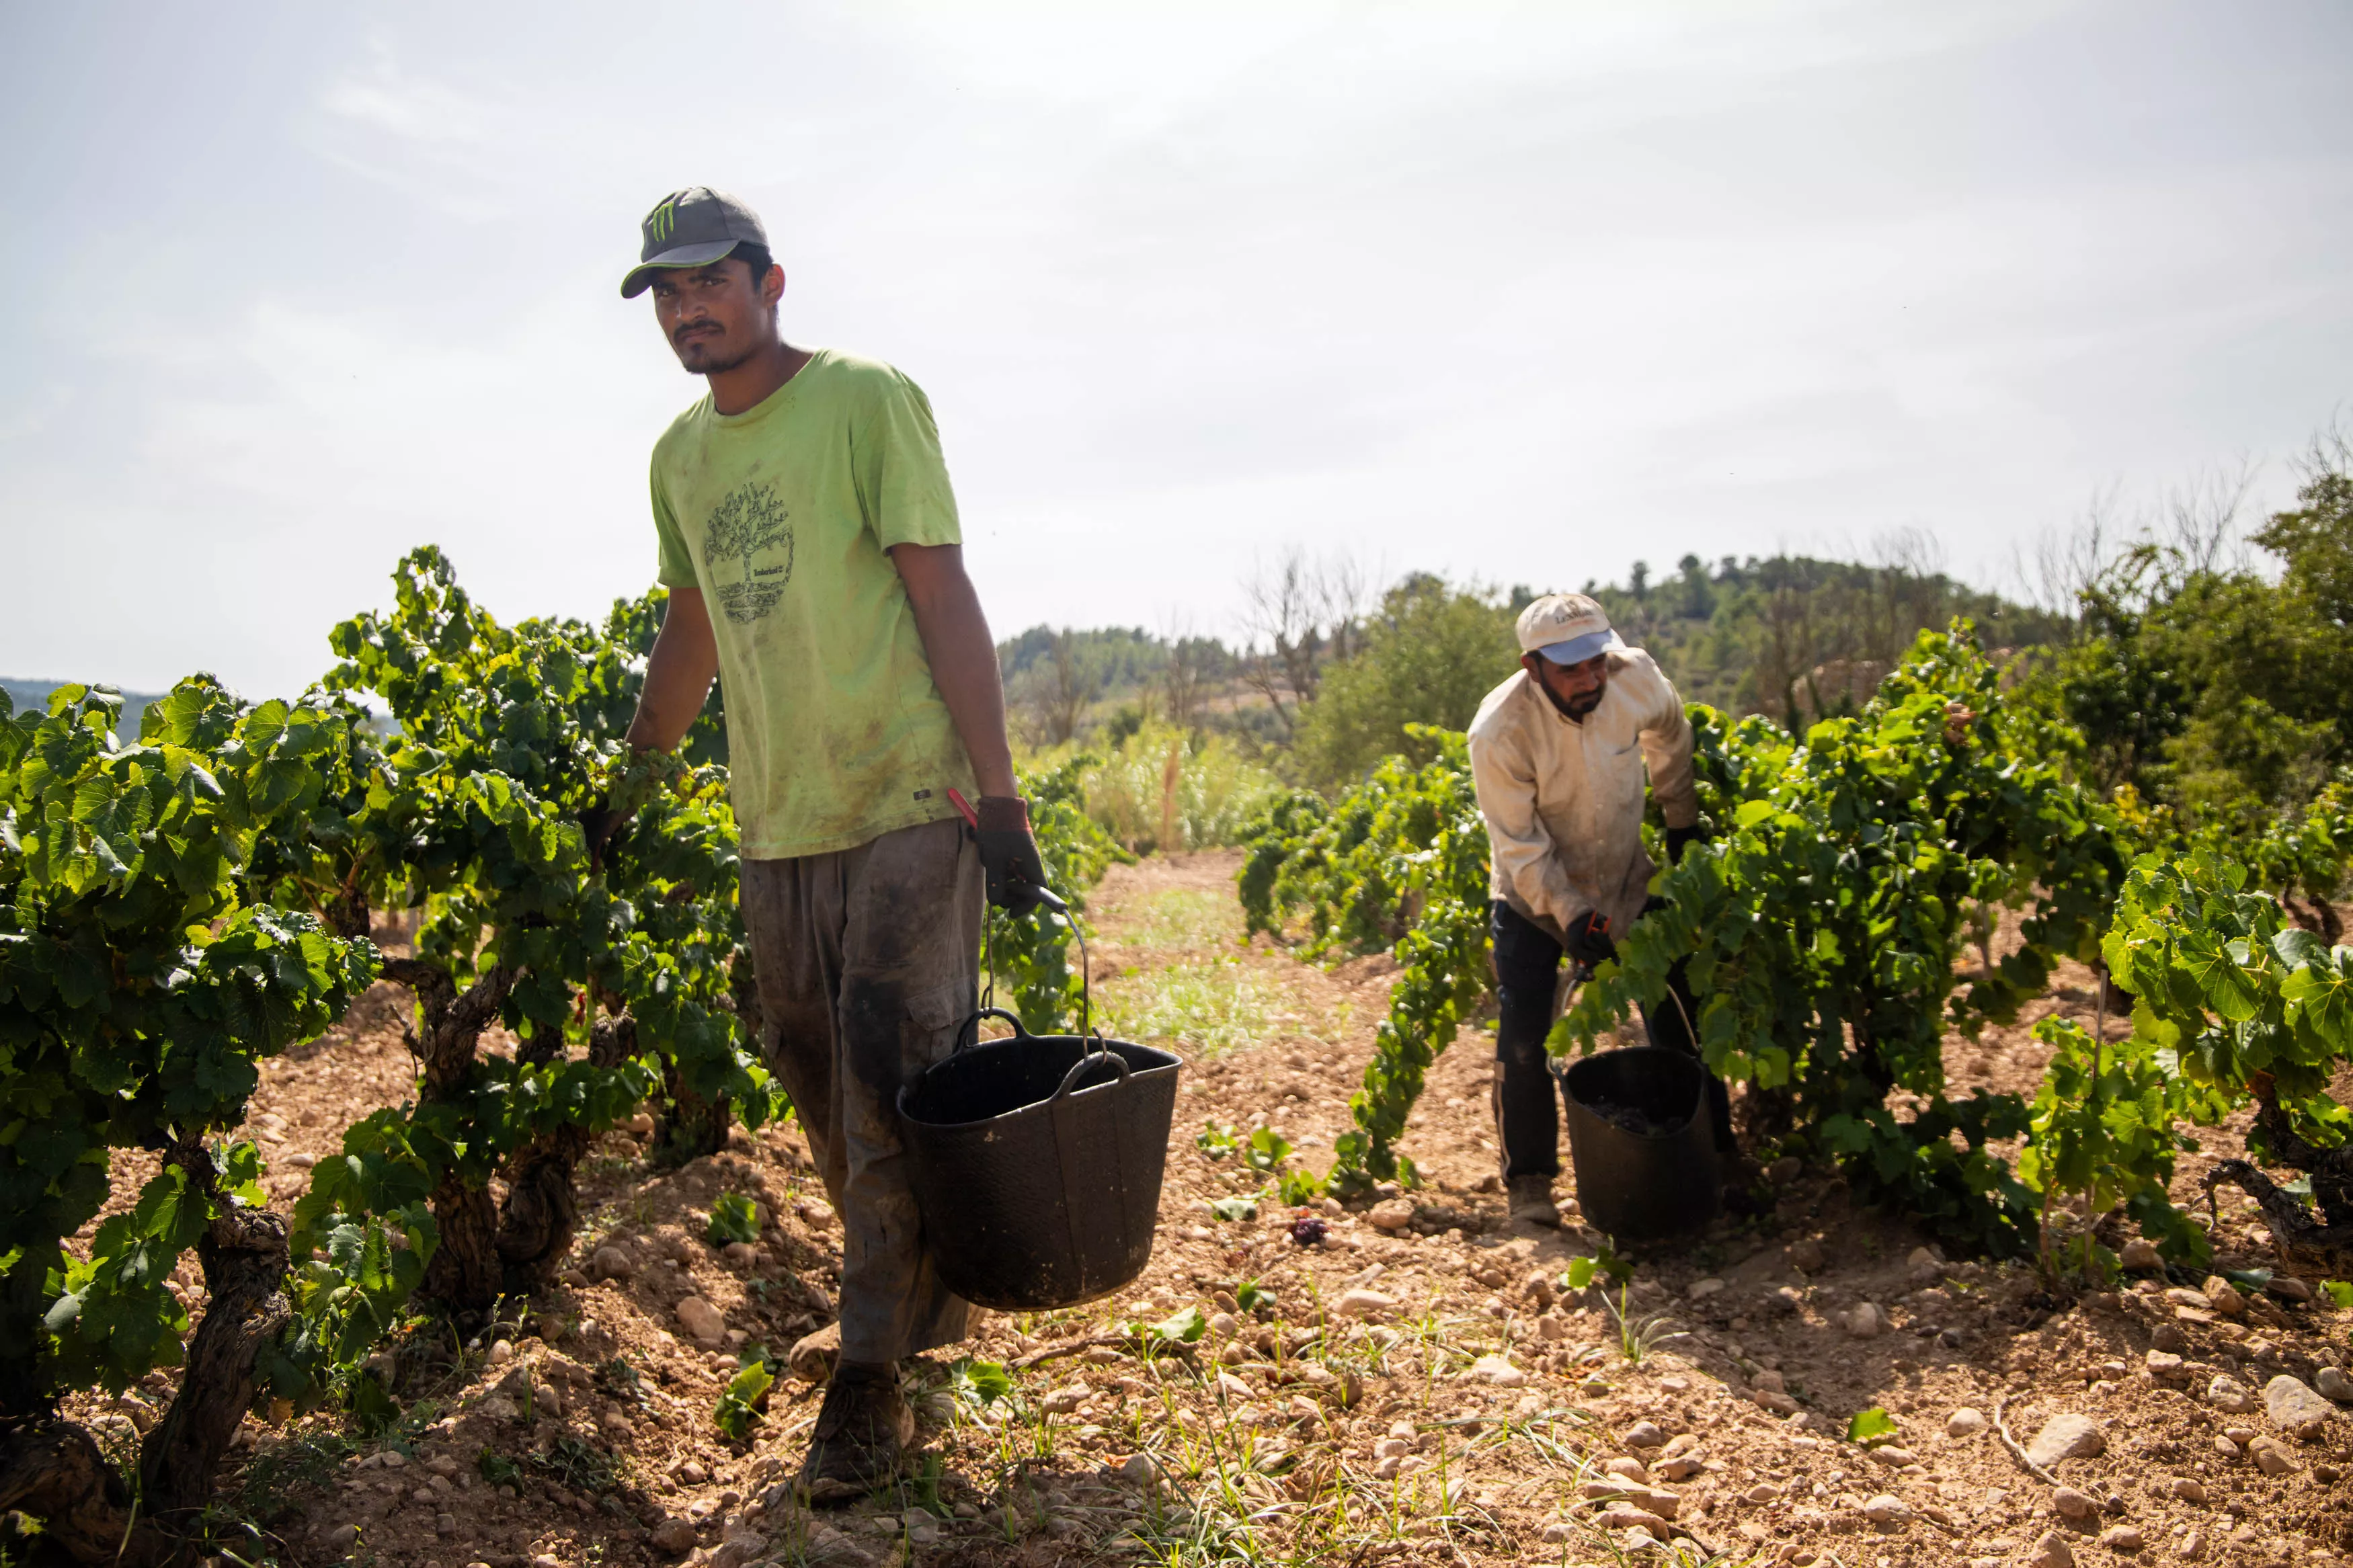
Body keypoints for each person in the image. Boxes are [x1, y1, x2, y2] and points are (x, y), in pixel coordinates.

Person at [613, 187, 1047, 1499]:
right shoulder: (678, 457)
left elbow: (941, 588)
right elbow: (691, 631)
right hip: (778, 812)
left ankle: (869, 1378)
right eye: (666, 292)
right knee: (805, 1055)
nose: (689, 307)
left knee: (878, 1057)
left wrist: (1002, 794)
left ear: (769, 279)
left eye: (710, 282)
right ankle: (918, 1297)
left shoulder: (865, 398)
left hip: (909, 792)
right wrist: (631, 776)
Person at [1465, 591, 1730, 1229]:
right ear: (1533, 669)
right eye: (1570, 670)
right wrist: (1572, 914)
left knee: (1683, 1020)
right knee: (1527, 1036)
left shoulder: (1635, 676)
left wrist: (1681, 822)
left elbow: (1672, 734)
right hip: (1534, 899)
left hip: (1629, 881)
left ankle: (1715, 1157)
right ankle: (1529, 1180)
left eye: (1595, 663)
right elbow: (1520, 847)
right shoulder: (1499, 730)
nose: (1589, 679)